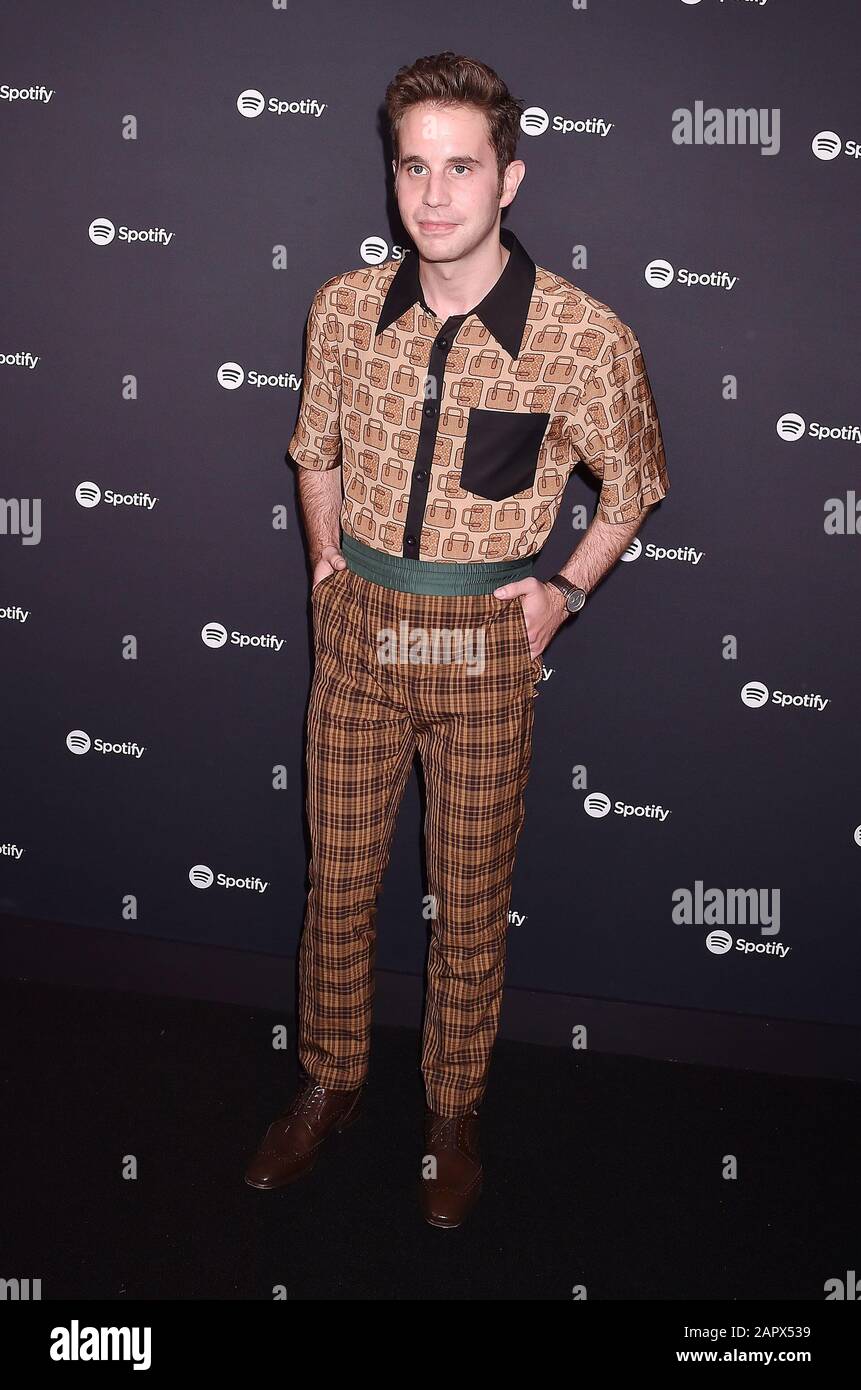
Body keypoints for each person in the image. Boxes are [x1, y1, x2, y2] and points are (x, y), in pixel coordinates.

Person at [245, 51, 670, 1227]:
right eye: (413, 167)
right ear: (393, 176)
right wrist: (326, 565)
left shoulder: (583, 337)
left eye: (462, 168)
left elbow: (633, 485)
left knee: (470, 900)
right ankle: (329, 1082)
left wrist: (565, 591)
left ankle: (451, 1115)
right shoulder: (340, 307)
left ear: (510, 179)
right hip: (360, 634)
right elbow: (312, 447)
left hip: (484, 646)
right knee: (338, 886)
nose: (434, 196)